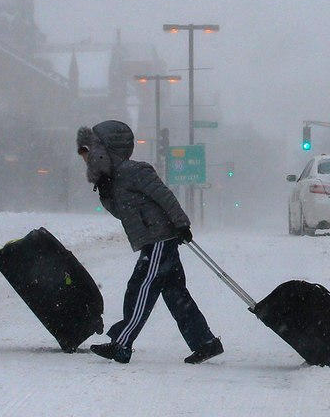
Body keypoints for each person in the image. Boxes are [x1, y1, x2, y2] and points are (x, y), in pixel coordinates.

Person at [80, 120, 223, 365]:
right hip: (153, 240)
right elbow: (121, 212)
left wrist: (181, 223)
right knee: (175, 293)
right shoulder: (115, 179)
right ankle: (205, 342)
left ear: (108, 149)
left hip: (159, 238)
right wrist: (104, 191)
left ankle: (122, 343)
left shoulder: (135, 170)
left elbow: (164, 196)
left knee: (140, 288)